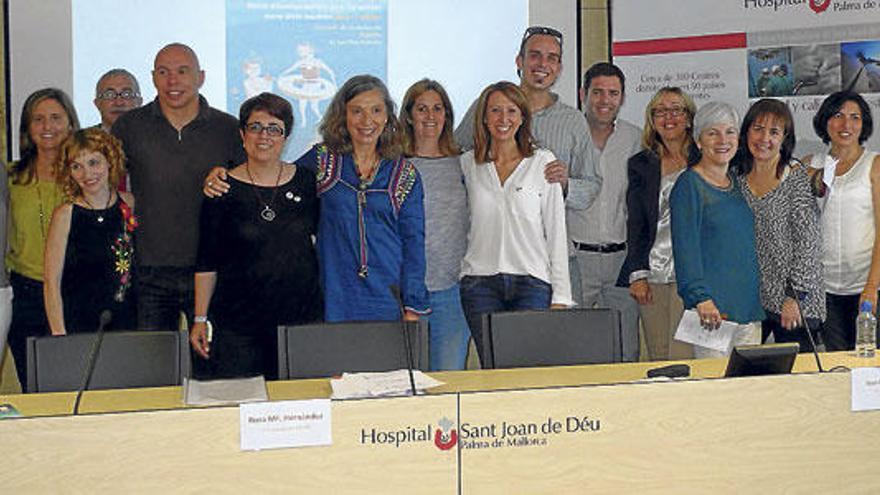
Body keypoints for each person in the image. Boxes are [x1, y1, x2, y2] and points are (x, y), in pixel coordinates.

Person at [204, 76, 430, 322]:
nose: (367, 120)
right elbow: (273, 177)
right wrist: (225, 173)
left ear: (387, 116)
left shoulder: (404, 174)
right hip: (332, 298)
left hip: (389, 298)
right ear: (343, 115)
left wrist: (413, 305)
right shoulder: (323, 160)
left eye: (376, 110)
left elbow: (413, 243)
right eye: (357, 111)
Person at [112, 43, 245, 333]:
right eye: (163, 72)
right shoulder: (129, 127)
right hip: (150, 271)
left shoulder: (228, 128)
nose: (173, 81)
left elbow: (247, 193)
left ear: (201, 77)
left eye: (182, 71)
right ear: (153, 78)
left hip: (213, 269)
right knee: (155, 370)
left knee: (213, 369)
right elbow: (107, 184)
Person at [189, 93, 321, 379]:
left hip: (299, 321)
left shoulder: (308, 182)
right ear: (242, 133)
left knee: (300, 409)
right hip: (238, 326)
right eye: (256, 127)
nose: (265, 136)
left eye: (274, 128)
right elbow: (206, 261)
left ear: (286, 136)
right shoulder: (221, 188)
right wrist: (200, 318)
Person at [459, 81, 573, 364]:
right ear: (484, 117)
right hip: (479, 285)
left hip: (532, 286)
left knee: (527, 371)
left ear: (523, 117)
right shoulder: (467, 164)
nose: (503, 119)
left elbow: (556, 233)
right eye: (495, 111)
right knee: (494, 369)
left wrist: (561, 296)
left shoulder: (544, 162)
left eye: (511, 111)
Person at [454, 25, 600, 200]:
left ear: (559, 68)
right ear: (519, 61)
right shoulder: (485, 106)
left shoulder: (573, 121)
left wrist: (566, 185)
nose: (543, 64)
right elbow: (454, 158)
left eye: (552, 58)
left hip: (545, 226)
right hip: (487, 224)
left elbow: (592, 185)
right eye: (534, 55)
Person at [670, 101, 764, 358]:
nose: (723, 140)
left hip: (749, 310)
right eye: (712, 133)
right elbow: (685, 249)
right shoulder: (689, 184)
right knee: (715, 392)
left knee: (747, 390)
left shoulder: (739, 183)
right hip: (711, 312)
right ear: (699, 141)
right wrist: (700, 299)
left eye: (730, 132)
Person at [735, 99, 825, 352]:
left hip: (796, 300)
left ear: (785, 138)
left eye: (774, 132)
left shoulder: (795, 176)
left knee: (797, 381)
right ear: (746, 132)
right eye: (758, 128)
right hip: (756, 298)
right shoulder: (737, 177)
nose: (764, 138)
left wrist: (793, 298)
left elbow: (808, 243)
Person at [567, 62, 642, 362]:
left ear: (622, 98)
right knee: (572, 348)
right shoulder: (567, 134)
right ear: (583, 93)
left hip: (621, 261)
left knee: (626, 350)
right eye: (597, 92)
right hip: (575, 259)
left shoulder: (635, 139)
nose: (605, 100)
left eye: (613, 93)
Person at [617, 87, 698, 361]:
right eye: (660, 112)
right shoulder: (641, 164)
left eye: (676, 109)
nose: (668, 117)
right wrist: (638, 274)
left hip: (693, 273)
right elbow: (636, 223)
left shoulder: (707, 158)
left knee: (684, 353)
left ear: (688, 117)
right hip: (653, 273)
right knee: (659, 353)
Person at [6, 88, 80, 389]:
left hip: (76, 294)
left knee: (77, 384)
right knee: (35, 386)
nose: (47, 127)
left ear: (71, 125)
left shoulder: (85, 175)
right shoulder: (10, 178)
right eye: (38, 119)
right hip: (26, 296)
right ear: (27, 128)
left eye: (55, 118)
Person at [399, 79, 470, 371]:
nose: (430, 116)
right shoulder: (394, 166)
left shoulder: (465, 164)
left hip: (453, 293)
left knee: (448, 385)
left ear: (447, 116)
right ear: (408, 116)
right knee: (405, 386)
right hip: (404, 293)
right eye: (422, 108)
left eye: (438, 109)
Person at [804, 91, 880, 351]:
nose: (846, 125)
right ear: (825, 121)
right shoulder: (808, 165)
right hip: (824, 292)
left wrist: (871, 287)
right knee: (838, 366)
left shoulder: (875, 164)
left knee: (871, 367)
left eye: (855, 117)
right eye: (838, 116)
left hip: (867, 289)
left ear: (864, 124)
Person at [44, 129, 137, 336]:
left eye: (94, 163)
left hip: (127, 322)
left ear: (110, 161)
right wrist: (60, 335)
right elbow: (51, 282)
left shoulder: (129, 203)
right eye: (76, 167)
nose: (87, 174)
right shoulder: (65, 215)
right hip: (79, 323)